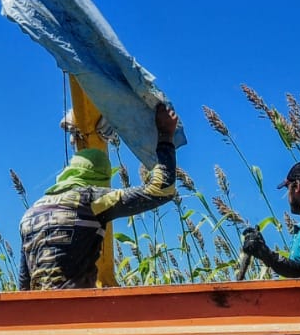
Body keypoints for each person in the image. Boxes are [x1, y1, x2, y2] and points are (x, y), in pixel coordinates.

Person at [20, 104, 183, 290]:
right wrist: (165, 136)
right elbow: (161, 190)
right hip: (79, 310)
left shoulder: (30, 214)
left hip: (38, 311)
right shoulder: (90, 200)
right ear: (100, 178)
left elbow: (24, 285)